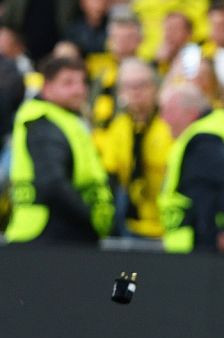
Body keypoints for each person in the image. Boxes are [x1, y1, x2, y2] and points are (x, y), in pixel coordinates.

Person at [5, 56, 113, 244]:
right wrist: (89, 218)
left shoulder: (63, 117)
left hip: (54, 231)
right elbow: (52, 184)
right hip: (50, 232)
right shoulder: (43, 120)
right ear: (47, 87)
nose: (79, 90)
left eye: (82, 82)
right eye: (68, 83)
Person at [157, 81, 224, 253]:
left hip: (208, 246)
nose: (163, 119)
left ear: (191, 112)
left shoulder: (204, 141)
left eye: (169, 111)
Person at [94, 58, 171, 240]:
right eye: (129, 86)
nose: (136, 92)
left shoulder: (170, 125)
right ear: (120, 92)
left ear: (156, 88)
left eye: (142, 85)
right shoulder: (119, 127)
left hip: (167, 225)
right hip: (131, 224)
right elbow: (110, 174)